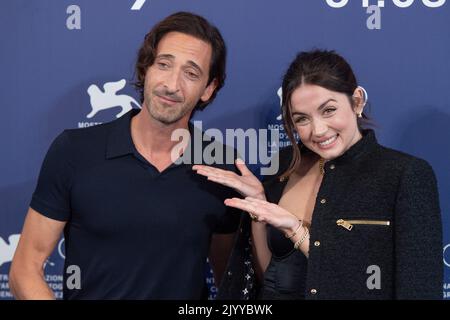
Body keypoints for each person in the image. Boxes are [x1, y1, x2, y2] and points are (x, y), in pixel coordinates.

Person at [9, 12, 242, 299]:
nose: (172, 84)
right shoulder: (74, 150)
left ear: (209, 88)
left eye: (191, 73)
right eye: (164, 65)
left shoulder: (222, 167)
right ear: (146, 69)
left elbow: (229, 281)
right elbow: (24, 268)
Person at [193, 50, 443, 299]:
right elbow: (267, 279)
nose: (319, 130)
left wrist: (297, 231)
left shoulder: (405, 175)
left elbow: (415, 289)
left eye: (329, 110)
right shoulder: (284, 164)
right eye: (302, 119)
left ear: (356, 101)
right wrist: (258, 207)